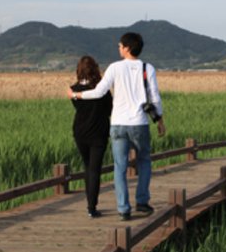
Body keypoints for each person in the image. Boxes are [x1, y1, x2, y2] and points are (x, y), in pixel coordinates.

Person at [69, 32, 165, 221]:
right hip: (139, 123)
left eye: (120, 45)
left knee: (119, 166)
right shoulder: (148, 68)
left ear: (127, 48)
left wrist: (76, 95)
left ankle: (123, 208)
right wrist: (160, 120)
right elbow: (154, 97)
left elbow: (98, 92)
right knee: (144, 161)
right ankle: (142, 201)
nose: (118, 48)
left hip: (118, 124)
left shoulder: (114, 68)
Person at [69, 56, 113, 218]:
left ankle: (90, 204)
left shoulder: (73, 90)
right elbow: (110, 110)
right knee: (95, 169)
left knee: (87, 166)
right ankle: (91, 207)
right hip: (99, 133)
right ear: (95, 69)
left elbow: (78, 104)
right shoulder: (102, 91)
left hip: (80, 131)